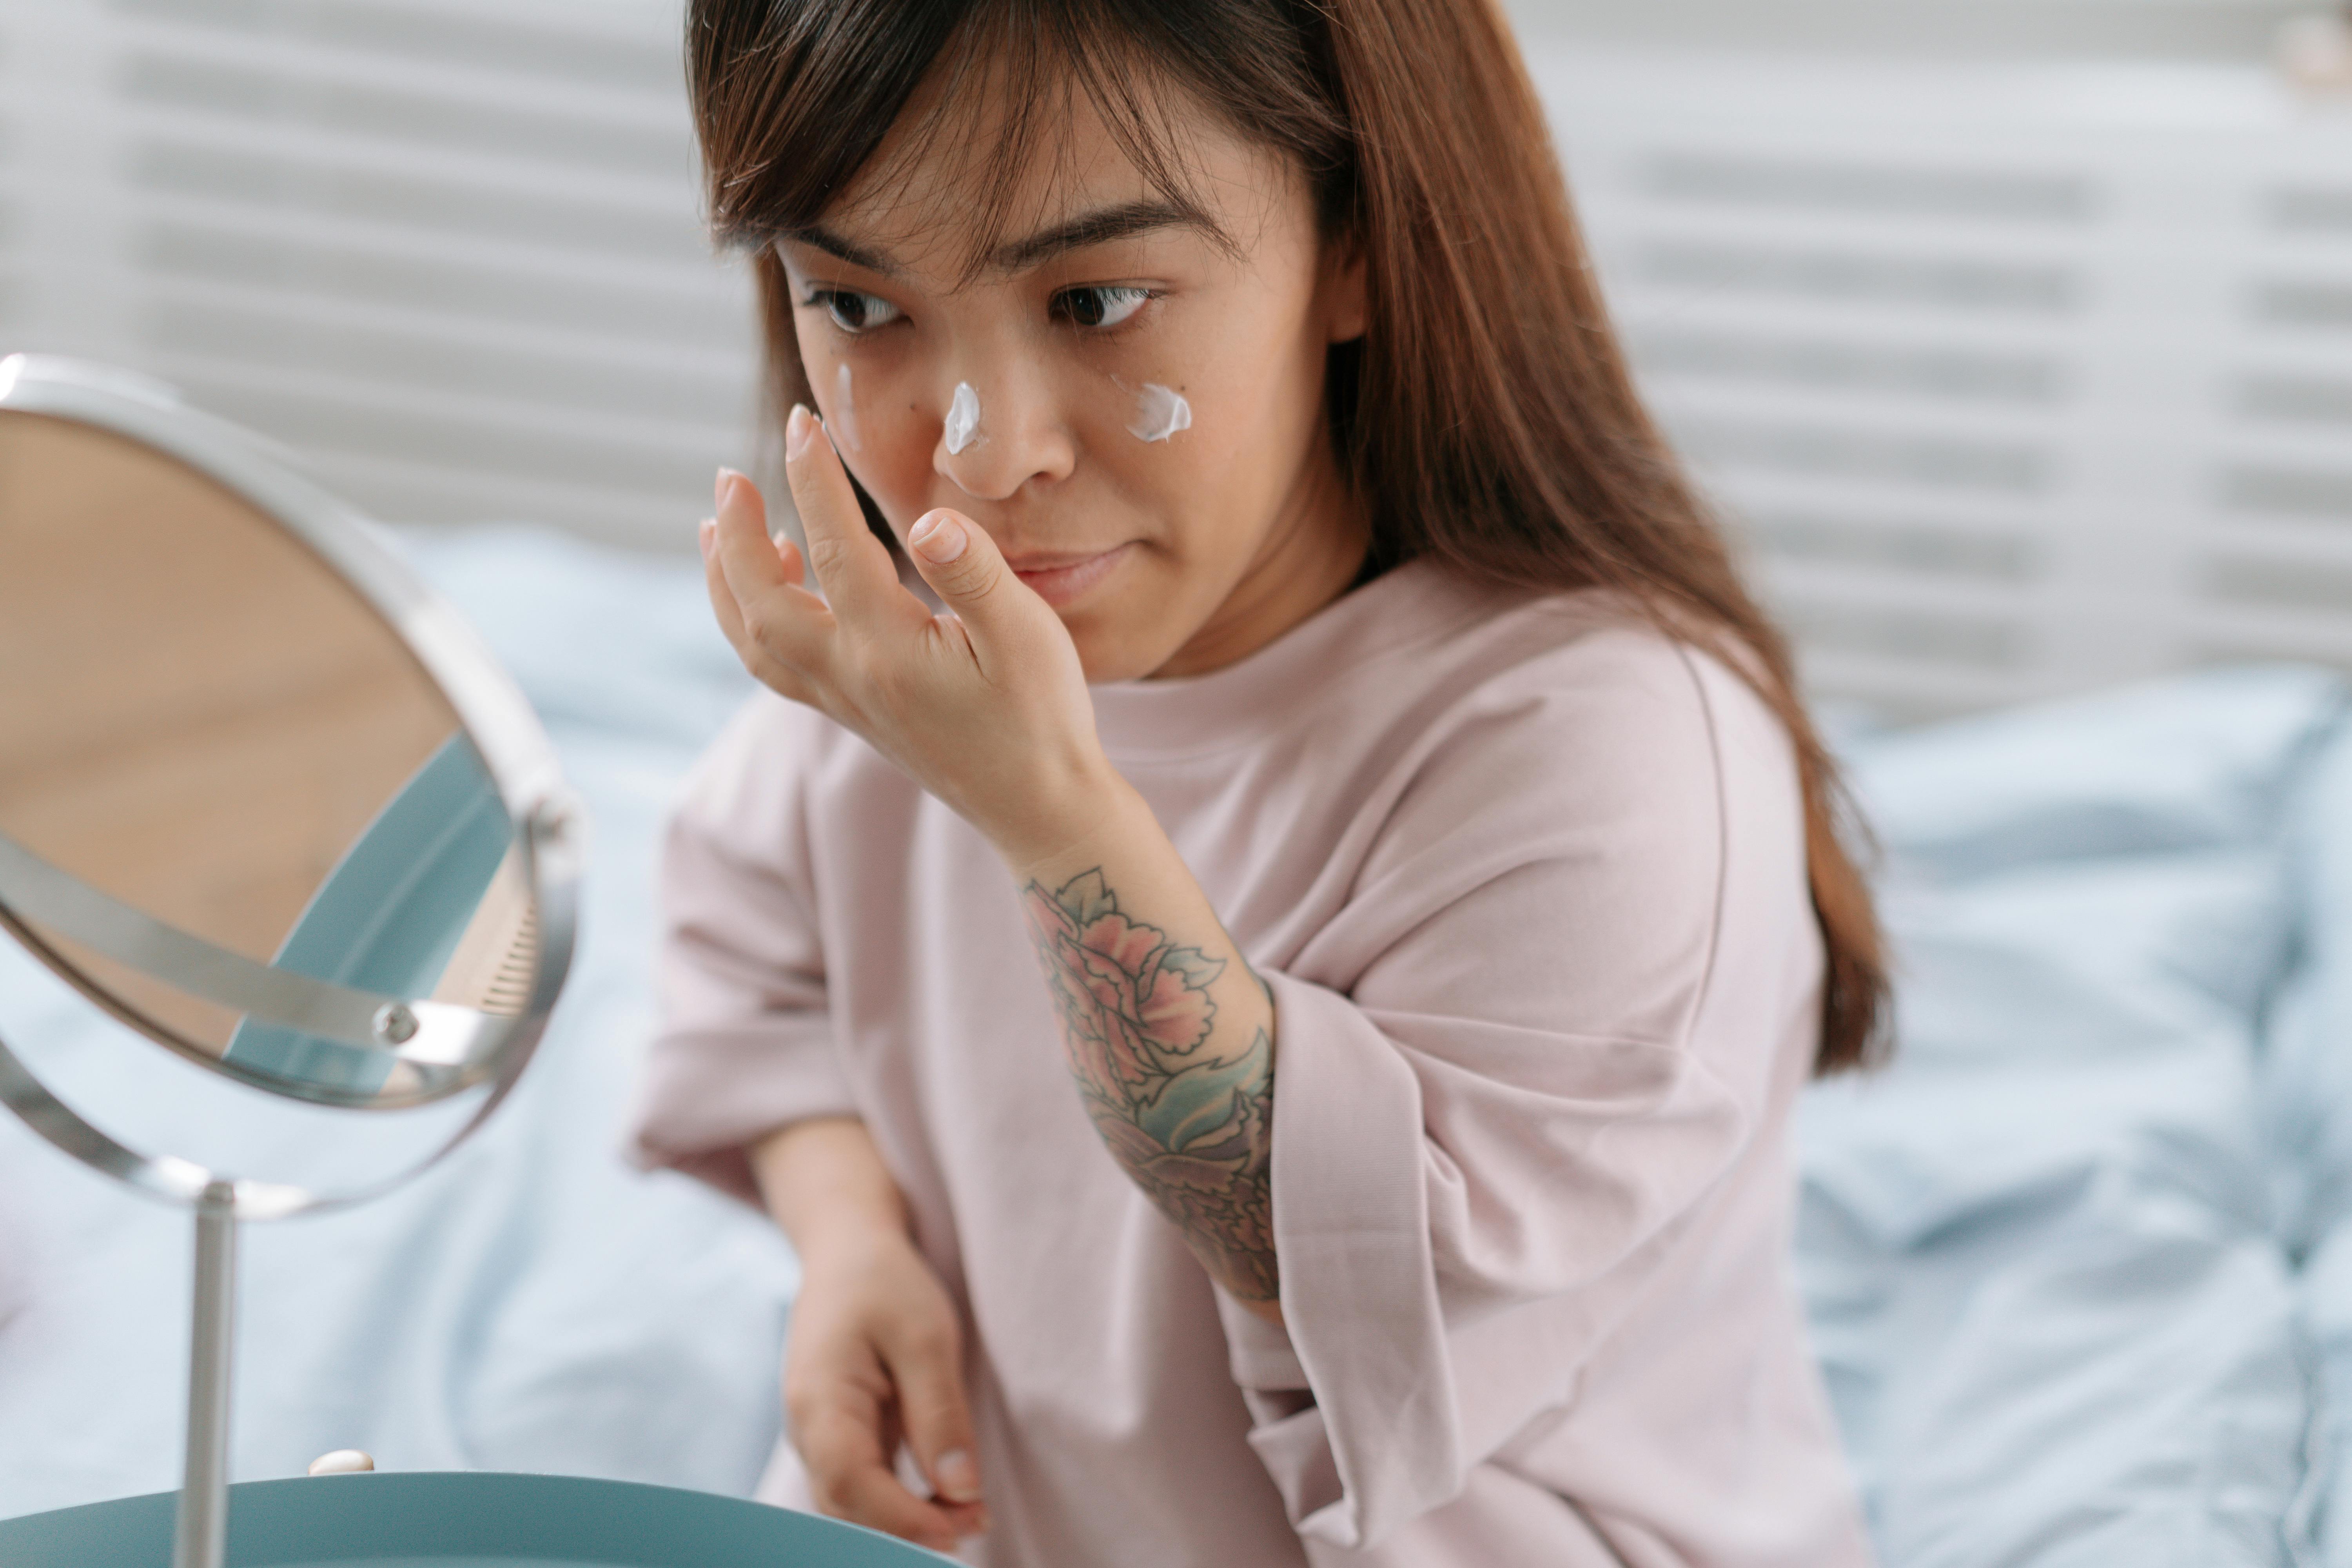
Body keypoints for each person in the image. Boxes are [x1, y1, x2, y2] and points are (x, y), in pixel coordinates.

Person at [629, 1, 1887, 1562]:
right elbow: (759, 957)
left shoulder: (1607, 750)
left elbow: (1358, 1292)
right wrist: (852, 1240)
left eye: (1094, 299)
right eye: (858, 304)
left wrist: (1050, 818)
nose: (982, 455)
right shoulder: (909, 651)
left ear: (1354, 244)